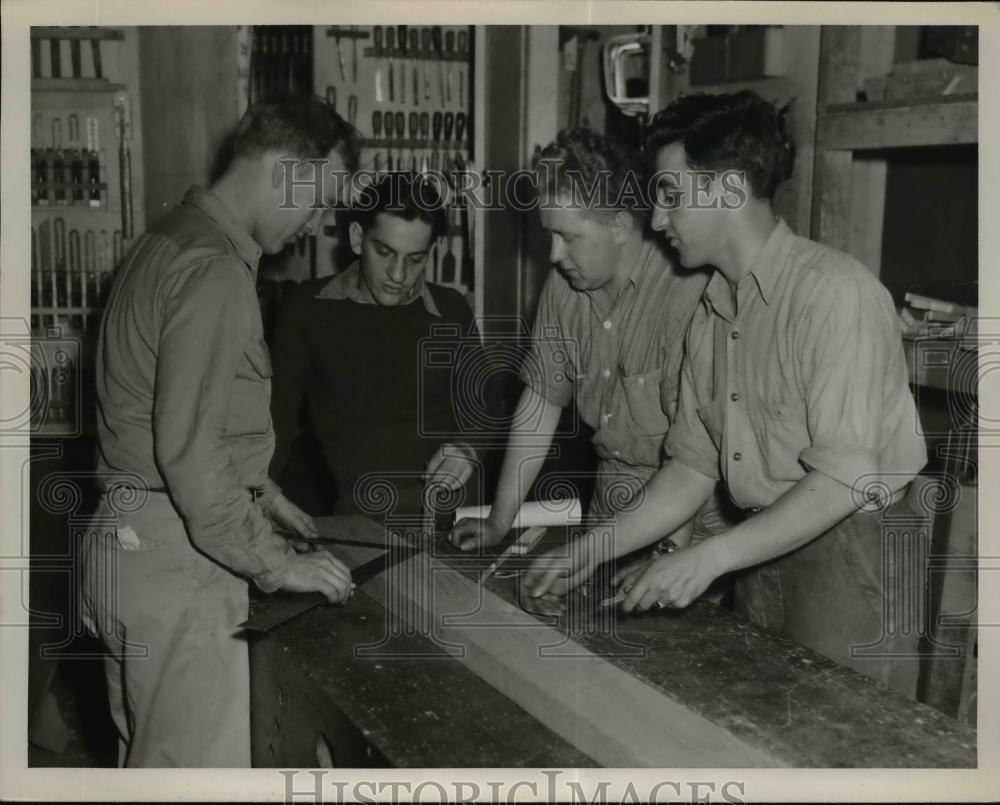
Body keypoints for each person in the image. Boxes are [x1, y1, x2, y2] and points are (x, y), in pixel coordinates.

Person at [526, 91, 929, 695]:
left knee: (842, 749)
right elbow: (691, 464)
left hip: (850, 554)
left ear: (729, 190)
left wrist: (707, 559)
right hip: (760, 549)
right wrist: (589, 550)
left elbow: (845, 477)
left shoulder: (834, 294)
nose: (658, 221)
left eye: (670, 194)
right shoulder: (715, 310)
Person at [81, 95, 359, 767]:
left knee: (149, 763)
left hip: (124, 545)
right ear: (287, 170)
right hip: (180, 562)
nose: (319, 225)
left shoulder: (169, 237)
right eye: (319, 201)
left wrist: (262, 492)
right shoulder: (215, 271)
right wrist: (276, 563)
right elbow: (190, 452)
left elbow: (164, 412)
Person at [449, 127, 717, 554]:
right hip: (611, 502)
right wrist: (500, 521)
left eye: (569, 237)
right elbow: (539, 407)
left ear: (620, 227)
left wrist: (667, 562)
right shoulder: (562, 288)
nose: (554, 255)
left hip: (694, 518)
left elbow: (690, 461)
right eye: (549, 235)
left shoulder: (684, 291)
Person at [269, 172, 483, 518]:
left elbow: (485, 407)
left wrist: (467, 448)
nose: (398, 275)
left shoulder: (451, 309)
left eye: (415, 259)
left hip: (455, 516)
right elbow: (274, 421)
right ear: (357, 238)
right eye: (384, 252)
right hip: (362, 519)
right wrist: (260, 504)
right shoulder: (307, 310)